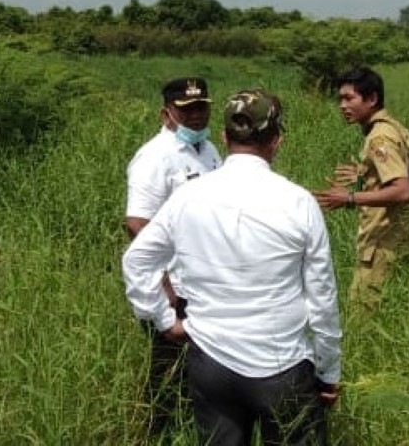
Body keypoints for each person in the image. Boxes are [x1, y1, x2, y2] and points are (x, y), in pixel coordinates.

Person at [123, 89, 342, 445]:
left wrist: (164, 321)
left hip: (211, 363)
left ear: (225, 137)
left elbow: (137, 259)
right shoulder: (298, 202)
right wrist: (328, 370)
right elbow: (322, 297)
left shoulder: (189, 196)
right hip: (281, 363)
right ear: (277, 140)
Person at [125, 76, 222, 434]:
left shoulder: (209, 151)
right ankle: (157, 436)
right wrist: (165, 286)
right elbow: (137, 223)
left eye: (201, 108)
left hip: (205, 280)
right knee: (168, 376)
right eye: (187, 110)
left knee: (201, 373)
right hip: (174, 287)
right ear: (166, 114)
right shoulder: (155, 157)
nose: (196, 115)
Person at [314, 66, 409, 312]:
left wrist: (350, 197)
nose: (342, 105)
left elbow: (404, 190)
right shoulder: (392, 127)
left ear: (371, 99)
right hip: (396, 236)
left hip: (382, 241)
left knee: (364, 312)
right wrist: (365, 174)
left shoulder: (380, 138)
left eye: (349, 98)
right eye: (340, 99)